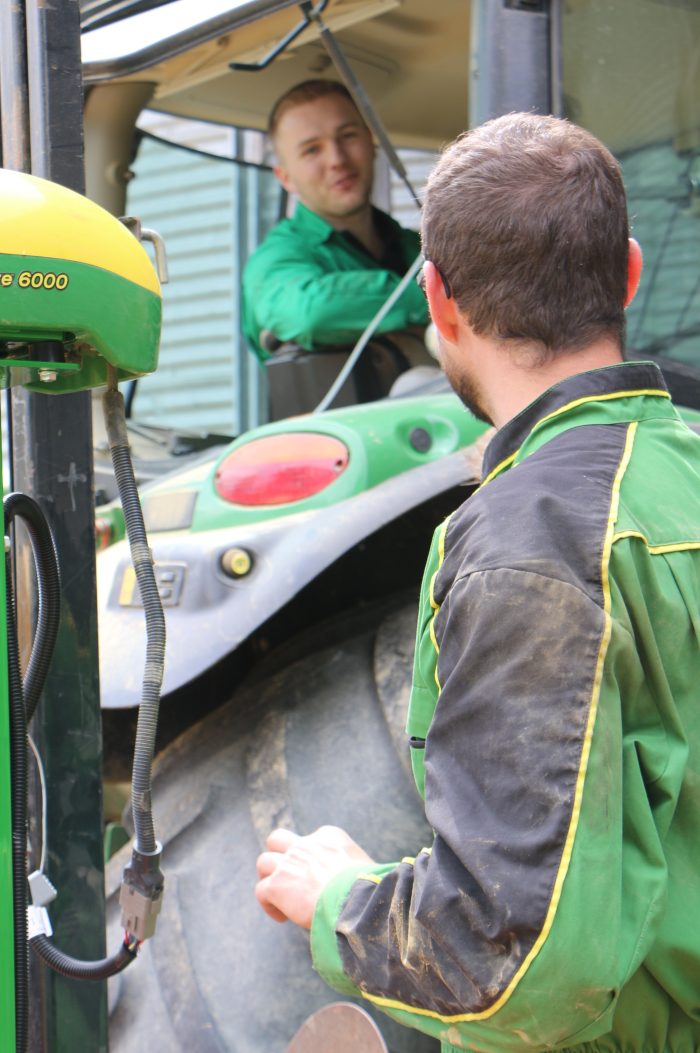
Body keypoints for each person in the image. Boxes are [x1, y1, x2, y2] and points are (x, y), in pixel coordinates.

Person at [254, 112, 700, 1052]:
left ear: (438, 303)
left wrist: (339, 896)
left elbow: (517, 965)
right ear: (627, 271)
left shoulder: (526, 548)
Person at [241, 79, 429, 361]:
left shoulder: (420, 245)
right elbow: (307, 312)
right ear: (285, 177)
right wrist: (431, 295)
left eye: (348, 136)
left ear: (371, 141)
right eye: (312, 150)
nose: (337, 159)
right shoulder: (274, 259)